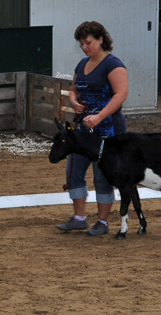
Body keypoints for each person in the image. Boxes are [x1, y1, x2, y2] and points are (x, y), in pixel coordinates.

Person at [55, 20, 129, 237]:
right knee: (74, 170)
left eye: (88, 43)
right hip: (84, 129)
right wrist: (74, 101)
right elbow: (73, 90)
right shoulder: (81, 65)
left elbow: (121, 95)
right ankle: (79, 218)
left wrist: (98, 117)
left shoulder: (113, 65)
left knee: (102, 176)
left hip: (108, 129)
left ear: (100, 39)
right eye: (81, 44)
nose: (85, 47)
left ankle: (103, 221)